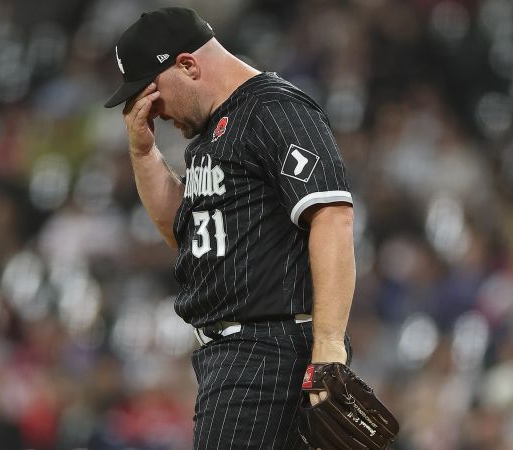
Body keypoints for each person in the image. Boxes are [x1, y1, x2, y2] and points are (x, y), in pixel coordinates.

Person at [105, 7, 356, 449]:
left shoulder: (274, 108)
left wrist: (330, 350)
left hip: (268, 351)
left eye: (152, 92)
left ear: (187, 64)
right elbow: (183, 236)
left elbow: (331, 216)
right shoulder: (213, 131)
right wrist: (144, 154)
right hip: (239, 355)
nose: (152, 110)